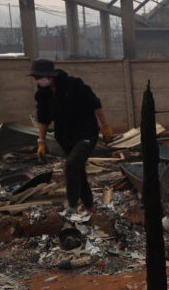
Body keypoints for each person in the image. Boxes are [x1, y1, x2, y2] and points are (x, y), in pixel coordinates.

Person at [29, 58, 114, 213]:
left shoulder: (74, 85)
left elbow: (95, 104)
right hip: (65, 138)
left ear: (50, 75)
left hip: (86, 133)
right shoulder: (42, 95)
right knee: (78, 171)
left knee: (72, 164)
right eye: (35, 77)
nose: (37, 80)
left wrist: (105, 126)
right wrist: (41, 141)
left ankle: (72, 206)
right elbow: (43, 120)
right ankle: (89, 207)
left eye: (39, 77)